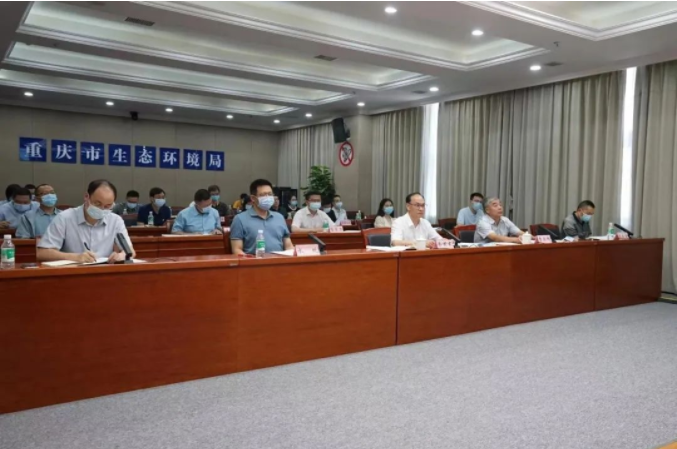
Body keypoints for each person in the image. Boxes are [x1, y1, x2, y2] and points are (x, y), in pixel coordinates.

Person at [37, 179, 135, 263]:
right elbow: (42, 253)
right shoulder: (64, 218)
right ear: (86, 197)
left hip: (105, 272)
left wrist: (122, 255)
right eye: (97, 204)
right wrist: (75, 257)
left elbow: (130, 251)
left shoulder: (116, 220)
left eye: (107, 206)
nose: (102, 209)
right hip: (73, 273)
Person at [230, 179, 294, 255]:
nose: (268, 197)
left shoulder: (279, 217)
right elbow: (237, 250)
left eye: (270, 194)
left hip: (279, 260)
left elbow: (288, 246)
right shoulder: (240, 219)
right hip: (254, 261)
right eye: (263, 195)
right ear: (253, 198)